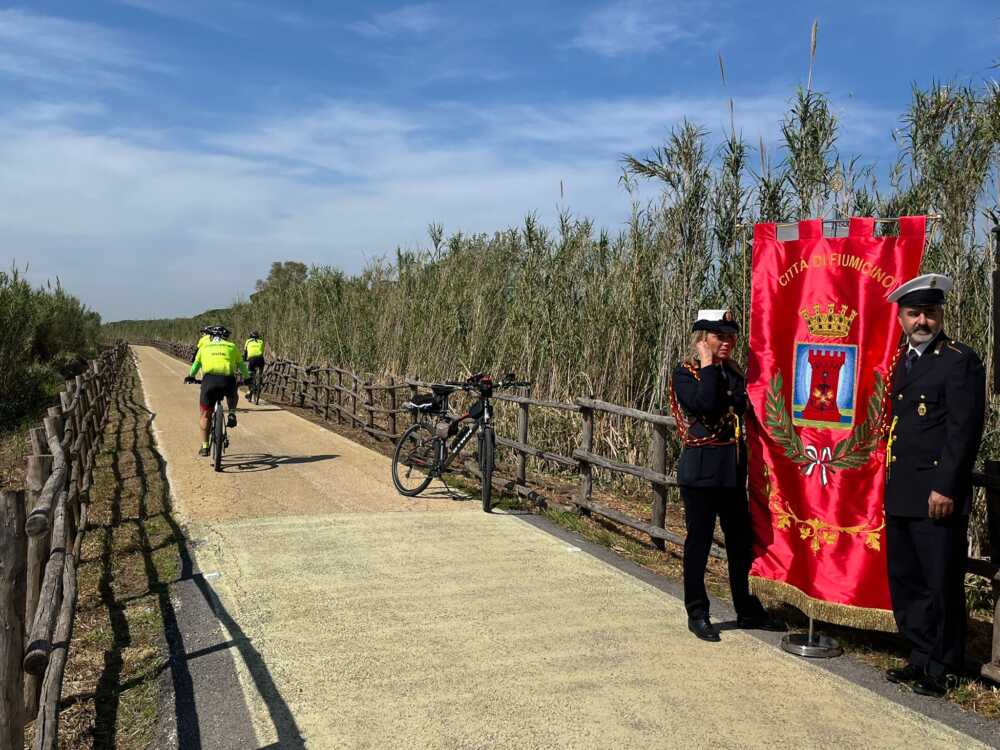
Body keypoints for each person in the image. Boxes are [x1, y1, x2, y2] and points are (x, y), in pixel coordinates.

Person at [883, 274, 985, 696]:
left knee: (940, 581)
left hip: (936, 494)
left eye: (930, 313)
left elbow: (963, 431)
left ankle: (945, 666)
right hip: (903, 488)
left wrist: (945, 486)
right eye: (914, 313)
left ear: (940, 314)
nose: (922, 320)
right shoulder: (901, 361)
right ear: (902, 318)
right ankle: (920, 656)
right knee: (907, 579)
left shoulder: (959, 360)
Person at [670, 310, 786, 641]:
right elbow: (706, 404)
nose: (727, 342)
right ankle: (698, 612)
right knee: (699, 543)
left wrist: (731, 396)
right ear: (702, 339)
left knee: (740, 546)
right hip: (701, 476)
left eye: (731, 336)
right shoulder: (686, 373)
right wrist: (707, 364)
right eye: (719, 336)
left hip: (731, 475)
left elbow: (743, 405)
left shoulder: (733, 372)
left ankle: (747, 610)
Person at [184, 325, 250, 457]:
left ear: (211, 337)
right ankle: (231, 413)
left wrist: (190, 376)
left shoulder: (204, 347)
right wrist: (247, 378)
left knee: (205, 415)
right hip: (227, 380)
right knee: (233, 394)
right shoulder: (232, 347)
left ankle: (204, 446)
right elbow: (242, 365)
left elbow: (196, 364)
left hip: (209, 381)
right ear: (226, 337)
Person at [243, 330, 266, 395]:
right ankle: (260, 380)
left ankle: (249, 390)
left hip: (252, 359)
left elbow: (245, 352)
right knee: (261, 369)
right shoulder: (261, 341)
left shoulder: (248, 341)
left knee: (250, 374)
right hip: (260, 359)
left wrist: (245, 359)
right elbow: (261, 350)